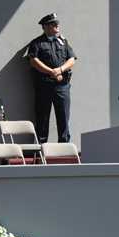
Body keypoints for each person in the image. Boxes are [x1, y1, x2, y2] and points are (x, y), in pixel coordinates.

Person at [26, 13, 76, 143]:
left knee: (64, 117)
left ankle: (65, 146)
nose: (57, 25)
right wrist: (51, 72)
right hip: (44, 86)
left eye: (57, 23)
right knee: (42, 117)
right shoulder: (37, 43)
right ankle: (41, 147)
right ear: (45, 27)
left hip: (62, 86)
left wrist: (60, 70)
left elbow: (72, 59)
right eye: (54, 24)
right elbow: (34, 61)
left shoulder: (63, 42)